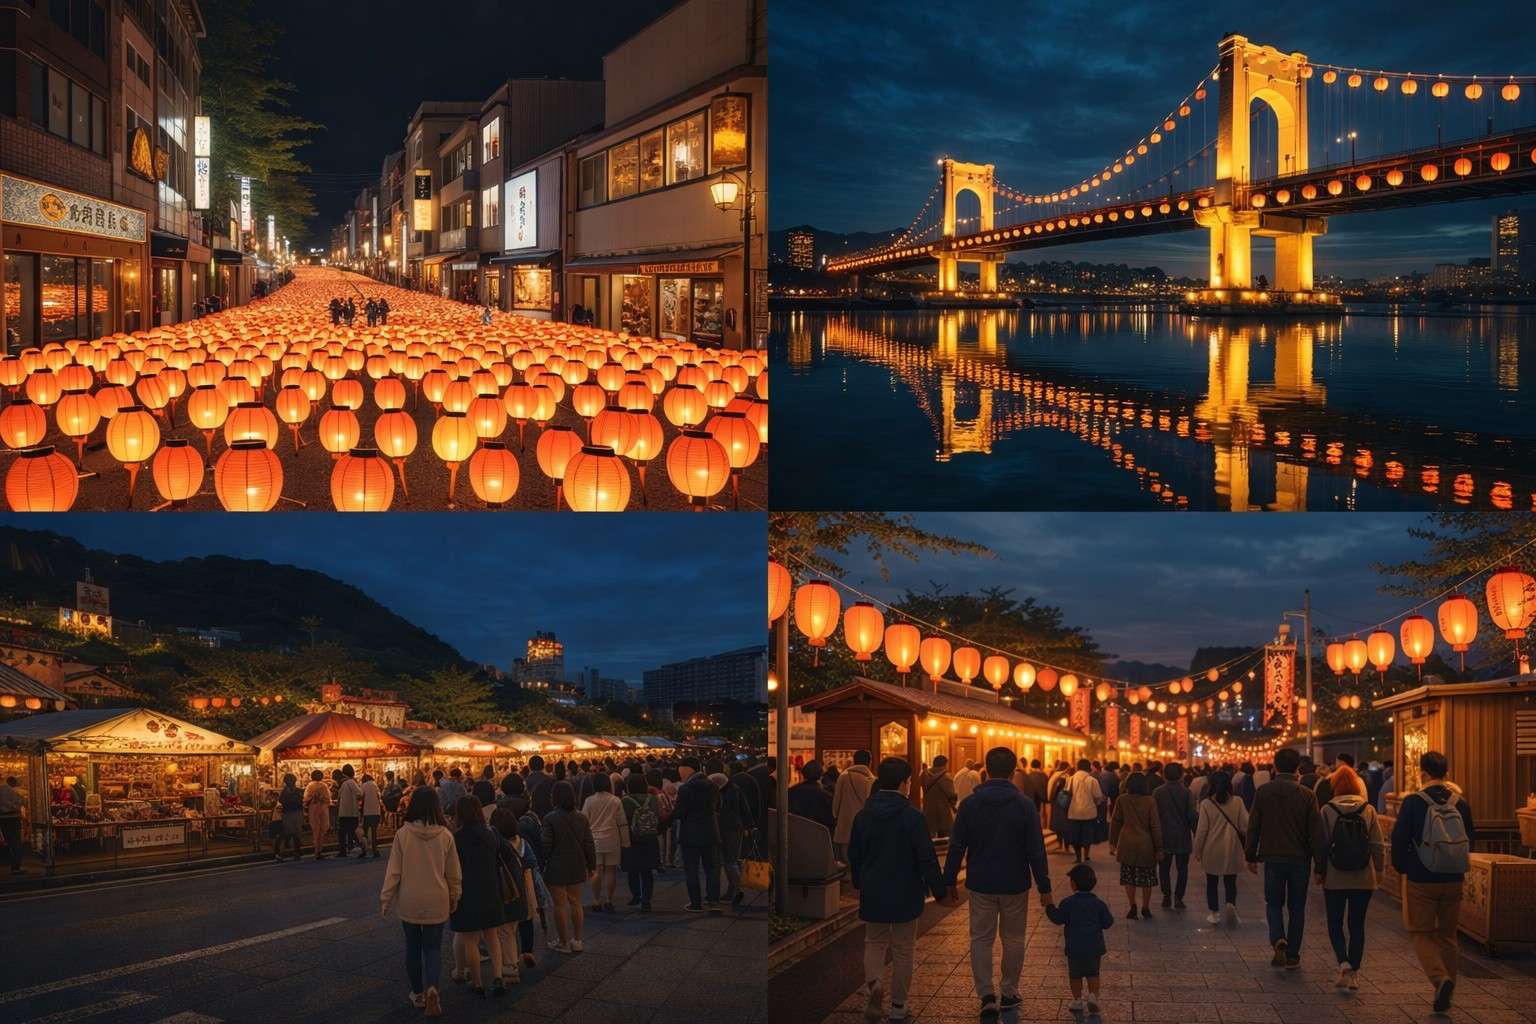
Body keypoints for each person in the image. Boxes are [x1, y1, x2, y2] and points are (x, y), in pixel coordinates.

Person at [942, 747, 1052, 1023]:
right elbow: (1036, 850)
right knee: (1013, 938)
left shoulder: (969, 804)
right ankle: (1009, 991)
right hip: (1015, 881)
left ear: (986, 771)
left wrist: (949, 880)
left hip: (980, 881)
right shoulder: (1024, 805)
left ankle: (986, 995)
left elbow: (956, 846)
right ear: (1013, 770)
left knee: (981, 938)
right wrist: (1045, 886)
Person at [848, 756, 945, 1024]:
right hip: (906, 889)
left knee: (874, 942)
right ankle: (899, 1006)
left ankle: (875, 985)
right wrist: (939, 890)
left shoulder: (863, 816)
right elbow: (926, 857)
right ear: (904, 783)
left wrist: (858, 881)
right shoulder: (913, 816)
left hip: (874, 888)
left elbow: (854, 854)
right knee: (903, 949)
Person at [1390, 750, 1474, 1013]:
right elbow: (1470, 838)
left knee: (1420, 932)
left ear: (1422, 772)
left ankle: (1440, 979)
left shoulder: (1414, 801)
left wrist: (1402, 867)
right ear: (1445, 773)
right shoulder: (1460, 802)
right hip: (1453, 877)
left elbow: (1399, 838)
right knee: (1448, 936)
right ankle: (1448, 990)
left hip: (1421, 877)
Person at [380, 786, 462, 1016]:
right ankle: (433, 989)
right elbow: (453, 872)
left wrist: (385, 898)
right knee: (433, 948)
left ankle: (417, 993)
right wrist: (455, 894)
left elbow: (394, 871)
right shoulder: (446, 835)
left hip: (410, 898)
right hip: (437, 897)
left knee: (413, 948)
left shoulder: (402, 834)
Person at [1244, 746, 1326, 970]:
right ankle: (1292, 954)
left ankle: (1278, 937)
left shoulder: (1263, 792)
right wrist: (1320, 866)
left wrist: (1250, 854)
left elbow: (1254, 826)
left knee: (1274, 902)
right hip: (1300, 858)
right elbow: (1316, 833)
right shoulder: (1307, 795)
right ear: (1297, 768)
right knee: (1297, 907)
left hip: (1273, 857)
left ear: (1275, 765)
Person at [1316, 763, 1384, 991]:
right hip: (1363, 876)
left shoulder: (1327, 810)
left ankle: (1343, 961)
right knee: (1357, 925)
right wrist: (1380, 870)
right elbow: (1377, 844)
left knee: (1334, 922)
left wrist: (1319, 871)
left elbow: (1322, 845)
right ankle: (1354, 971)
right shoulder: (1368, 809)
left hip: (1335, 876)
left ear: (1335, 786)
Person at [447, 796, 507, 997]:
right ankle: (498, 977)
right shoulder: (492, 833)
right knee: (492, 936)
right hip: (490, 888)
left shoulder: (456, 838)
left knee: (470, 939)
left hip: (467, 892)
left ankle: (477, 982)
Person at [1043, 863, 1115, 1016]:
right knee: (1093, 974)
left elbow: (1057, 919)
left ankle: (1077, 1000)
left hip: (1075, 948)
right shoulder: (1099, 904)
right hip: (1094, 948)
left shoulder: (1067, 903)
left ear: (1073, 884)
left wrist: (1049, 906)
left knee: (1075, 975)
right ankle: (1093, 997)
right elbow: (1108, 923)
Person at [541, 780, 596, 953]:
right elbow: (589, 843)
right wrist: (592, 865)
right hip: (577, 863)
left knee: (559, 904)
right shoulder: (581, 817)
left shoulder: (550, 818)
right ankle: (578, 940)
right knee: (576, 902)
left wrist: (541, 863)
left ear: (555, 797)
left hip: (556, 865)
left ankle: (563, 942)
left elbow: (546, 845)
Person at [1192, 769, 1248, 926]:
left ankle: (1214, 913)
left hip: (1212, 847)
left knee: (1212, 882)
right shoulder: (1237, 801)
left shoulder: (1206, 803)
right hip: (1232, 847)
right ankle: (1231, 905)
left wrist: (1197, 850)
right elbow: (1245, 826)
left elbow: (1202, 830)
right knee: (1231, 881)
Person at [1109, 771, 1162, 919]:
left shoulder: (1122, 800)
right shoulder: (1150, 801)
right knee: (1147, 878)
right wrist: (1159, 847)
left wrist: (1112, 842)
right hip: (1146, 844)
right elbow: (1155, 826)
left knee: (1129, 876)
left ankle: (1132, 905)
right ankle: (1145, 907)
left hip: (1127, 843)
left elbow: (1115, 822)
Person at [674, 756, 723, 912]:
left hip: (690, 834)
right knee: (712, 869)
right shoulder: (713, 786)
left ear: (687, 770)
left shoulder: (685, 789)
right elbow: (718, 806)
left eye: (681, 771)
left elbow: (680, 812)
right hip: (710, 831)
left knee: (692, 870)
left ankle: (696, 903)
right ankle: (713, 900)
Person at [1154, 762, 1197, 908]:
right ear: (1180, 775)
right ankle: (1179, 897)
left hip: (1163, 836)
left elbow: (1154, 816)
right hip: (1182, 836)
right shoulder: (1186, 793)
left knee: (1164, 868)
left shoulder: (1158, 792)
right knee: (1182, 869)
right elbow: (1192, 815)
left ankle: (1166, 895)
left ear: (1164, 774)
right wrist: (1196, 834)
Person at [581, 772, 624, 914]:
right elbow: (621, 822)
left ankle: (595, 900)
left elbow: (584, 821)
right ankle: (609, 900)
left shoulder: (589, 801)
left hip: (595, 840)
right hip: (612, 838)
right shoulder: (616, 800)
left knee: (596, 871)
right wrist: (626, 841)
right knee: (611, 871)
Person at [621, 773, 661, 911]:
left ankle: (636, 895)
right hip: (650, 838)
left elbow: (623, 821)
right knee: (647, 871)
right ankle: (646, 900)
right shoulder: (653, 799)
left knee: (633, 869)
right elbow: (658, 816)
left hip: (632, 839)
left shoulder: (625, 801)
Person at [712, 763, 752, 907]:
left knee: (729, 861)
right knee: (732, 860)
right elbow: (745, 809)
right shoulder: (735, 789)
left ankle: (736, 889)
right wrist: (749, 826)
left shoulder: (722, 794)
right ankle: (732, 889)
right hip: (737, 828)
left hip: (727, 829)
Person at [831, 750, 875, 862]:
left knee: (846, 855)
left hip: (845, 822)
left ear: (854, 761)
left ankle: (848, 875)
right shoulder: (873, 780)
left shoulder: (844, 777)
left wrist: (836, 816)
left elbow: (837, 801)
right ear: (869, 762)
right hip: (865, 824)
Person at [1061, 757, 1104, 864]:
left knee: (1075, 836)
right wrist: (1095, 804)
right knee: (1087, 835)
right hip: (1089, 813)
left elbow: (1066, 794)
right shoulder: (1093, 781)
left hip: (1074, 812)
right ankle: (1087, 855)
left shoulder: (1070, 779)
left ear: (1077, 767)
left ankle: (1078, 857)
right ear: (1088, 768)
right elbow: (1098, 797)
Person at [788, 760, 835, 834]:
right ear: (821, 774)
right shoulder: (826, 795)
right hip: (819, 834)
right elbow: (831, 819)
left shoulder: (792, 791)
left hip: (796, 832)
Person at [921, 756, 957, 838]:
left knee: (929, 836)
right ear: (944, 764)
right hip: (943, 811)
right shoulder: (946, 777)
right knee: (944, 837)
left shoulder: (925, 775)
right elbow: (951, 795)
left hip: (928, 809)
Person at [271, 773, 303, 862]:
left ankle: (296, 852)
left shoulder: (295, 791)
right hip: (289, 814)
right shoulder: (287, 792)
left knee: (295, 833)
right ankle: (279, 852)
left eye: (291, 781)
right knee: (286, 833)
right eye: (289, 781)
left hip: (294, 813)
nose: (291, 782)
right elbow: (283, 802)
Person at [1, 775, 27, 873]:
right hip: (13, 818)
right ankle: (16, 866)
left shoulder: (3, 789)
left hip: (3, 819)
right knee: (15, 842)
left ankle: (13, 864)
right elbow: (22, 801)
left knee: (9, 841)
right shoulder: (11, 790)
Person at [303, 769, 331, 860]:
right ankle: (319, 849)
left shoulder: (310, 786)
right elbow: (328, 799)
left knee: (315, 829)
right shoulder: (324, 786)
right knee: (322, 830)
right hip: (323, 809)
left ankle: (316, 850)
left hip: (314, 810)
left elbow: (306, 799)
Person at [337, 764, 363, 859]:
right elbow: (359, 794)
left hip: (348, 812)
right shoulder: (350, 782)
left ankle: (348, 850)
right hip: (350, 812)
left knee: (345, 832)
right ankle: (351, 849)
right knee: (350, 832)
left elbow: (359, 793)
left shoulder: (349, 783)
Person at [361, 772, 383, 858]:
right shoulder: (375, 785)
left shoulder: (364, 786)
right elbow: (379, 797)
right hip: (376, 812)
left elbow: (361, 797)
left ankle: (364, 850)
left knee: (365, 832)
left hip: (367, 812)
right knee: (374, 832)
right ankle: (375, 850)